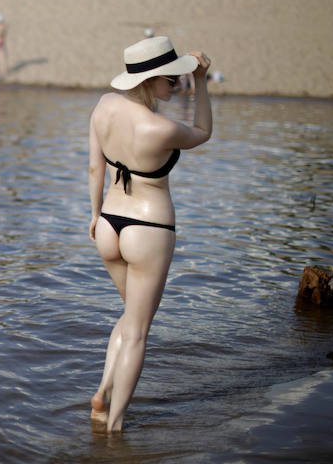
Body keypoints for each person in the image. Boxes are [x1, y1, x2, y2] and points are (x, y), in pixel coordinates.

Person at [87, 36, 212, 433]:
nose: (177, 85)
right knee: (139, 330)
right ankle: (115, 429)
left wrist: (93, 216)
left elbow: (94, 169)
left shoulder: (104, 105)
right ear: (149, 80)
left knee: (130, 317)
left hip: (108, 224)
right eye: (172, 80)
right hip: (149, 229)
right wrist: (204, 82)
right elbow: (203, 131)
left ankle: (103, 392)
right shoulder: (160, 128)